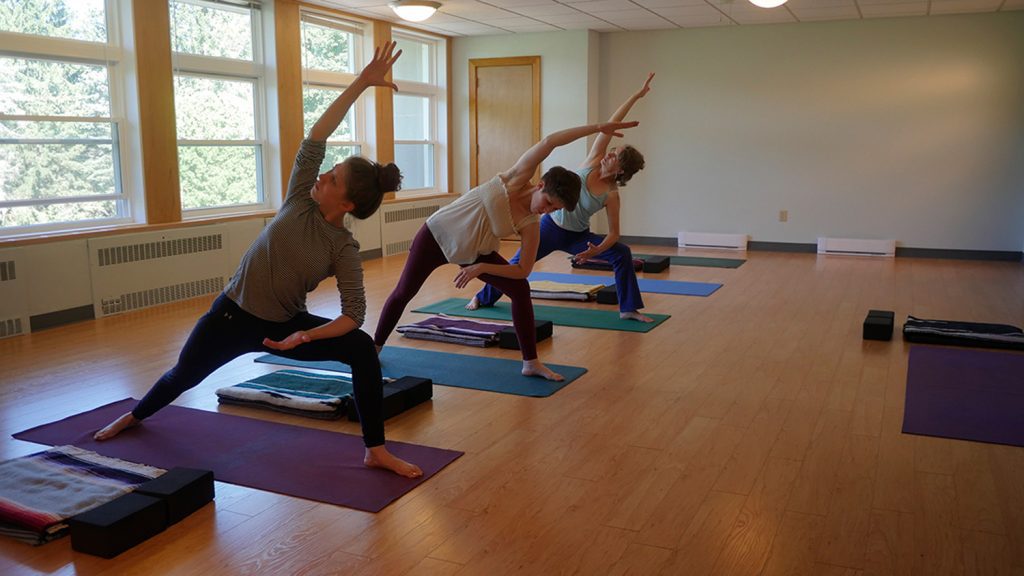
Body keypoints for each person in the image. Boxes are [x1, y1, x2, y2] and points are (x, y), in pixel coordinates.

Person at [93, 43, 423, 478]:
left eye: (333, 178)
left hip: (283, 328)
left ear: (345, 202)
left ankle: (375, 449)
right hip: (231, 316)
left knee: (361, 349)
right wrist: (361, 83)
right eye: (327, 171)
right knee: (183, 376)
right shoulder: (298, 200)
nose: (322, 176)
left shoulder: (342, 248)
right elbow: (317, 137)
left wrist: (303, 339)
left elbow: (354, 315)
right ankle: (135, 416)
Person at [373, 120, 639, 382]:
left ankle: (531, 363)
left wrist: (482, 267)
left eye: (554, 210)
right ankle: (375, 348)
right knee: (404, 292)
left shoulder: (532, 224)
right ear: (540, 186)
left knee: (520, 288)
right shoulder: (514, 179)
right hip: (437, 235)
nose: (546, 211)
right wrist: (597, 128)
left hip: (475, 252)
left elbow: (523, 269)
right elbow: (549, 142)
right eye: (547, 203)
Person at [470, 73, 656, 322]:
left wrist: (595, 251)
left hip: (578, 237)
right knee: (516, 264)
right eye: (612, 150)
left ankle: (628, 308)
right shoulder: (593, 159)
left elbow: (614, 233)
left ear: (621, 169)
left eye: (615, 155)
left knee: (621, 252)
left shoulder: (612, 195)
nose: (609, 154)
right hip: (550, 226)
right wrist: (636, 96)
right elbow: (611, 124)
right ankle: (483, 298)